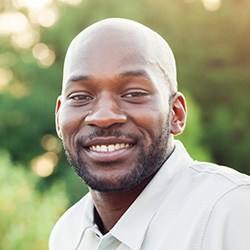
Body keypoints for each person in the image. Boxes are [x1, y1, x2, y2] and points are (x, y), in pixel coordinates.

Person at [49, 18, 250, 250]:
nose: (103, 117)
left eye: (133, 93)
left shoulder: (234, 212)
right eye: (80, 97)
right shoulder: (67, 234)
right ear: (58, 117)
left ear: (176, 114)